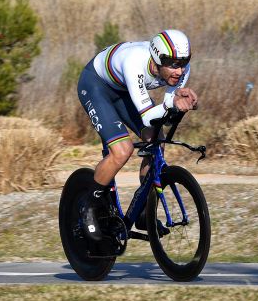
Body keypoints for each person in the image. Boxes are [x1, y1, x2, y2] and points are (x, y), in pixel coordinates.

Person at [77, 29, 198, 241]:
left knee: (156, 140)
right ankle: (88, 205)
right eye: (172, 64)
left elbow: (166, 110)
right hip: (96, 86)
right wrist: (172, 104)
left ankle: (143, 211)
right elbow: (148, 116)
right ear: (156, 59)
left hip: (124, 90)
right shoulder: (135, 61)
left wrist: (183, 103)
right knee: (122, 150)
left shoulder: (181, 70)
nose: (179, 71)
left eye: (183, 63)